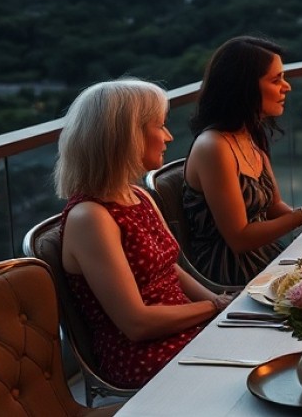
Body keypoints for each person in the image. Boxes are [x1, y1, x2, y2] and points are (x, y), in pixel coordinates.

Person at [54, 78, 233, 389]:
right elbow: (136, 324)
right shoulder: (90, 218)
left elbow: (169, 269)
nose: (168, 136)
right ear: (126, 136)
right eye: (159, 126)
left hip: (185, 328)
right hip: (144, 354)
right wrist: (214, 308)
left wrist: (220, 303)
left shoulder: (137, 195)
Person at [183, 36, 302, 286]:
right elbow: (239, 238)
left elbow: (275, 207)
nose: (287, 87)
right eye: (276, 80)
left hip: (265, 258)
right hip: (230, 273)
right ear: (244, 87)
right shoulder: (213, 147)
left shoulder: (248, 134)